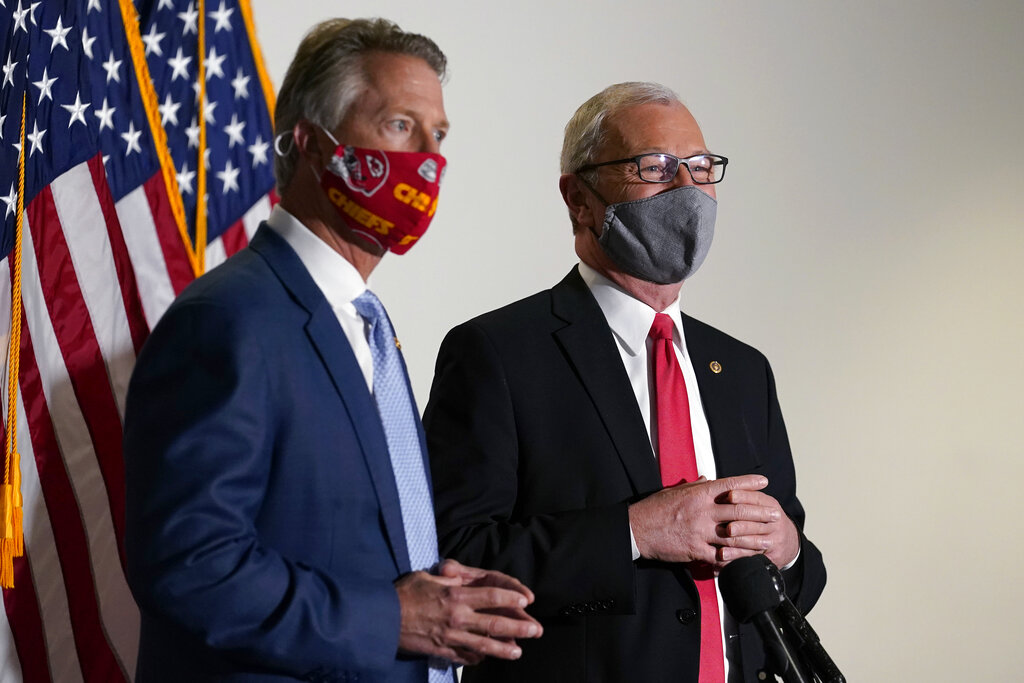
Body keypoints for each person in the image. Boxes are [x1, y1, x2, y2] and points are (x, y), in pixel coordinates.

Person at [123, 18, 541, 683]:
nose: (428, 159)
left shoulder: (366, 322)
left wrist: (437, 589)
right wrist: (390, 618)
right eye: (400, 126)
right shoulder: (226, 320)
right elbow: (190, 562)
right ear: (311, 145)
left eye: (439, 135)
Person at [423, 82, 827, 682]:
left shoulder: (742, 370)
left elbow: (797, 580)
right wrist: (635, 533)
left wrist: (787, 548)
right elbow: (456, 562)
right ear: (579, 198)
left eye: (699, 167)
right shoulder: (498, 353)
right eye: (655, 168)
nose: (687, 189)